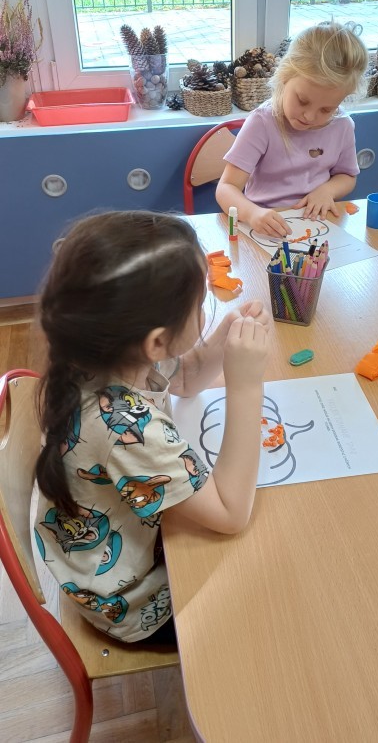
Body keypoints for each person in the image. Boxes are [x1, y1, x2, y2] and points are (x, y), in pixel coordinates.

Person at [34, 210, 270, 644]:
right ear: (156, 341)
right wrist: (246, 386)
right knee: (272, 596)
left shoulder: (98, 350)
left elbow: (184, 379)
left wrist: (223, 336)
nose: (204, 309)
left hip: (112, 552)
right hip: (135, 605)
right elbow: (231, 513)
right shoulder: (125, 428)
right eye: (200, 303)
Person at [216, 21, 368, 237]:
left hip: (318, 226)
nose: (310, 116)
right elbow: (226, 188)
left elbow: (347, 176)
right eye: (302, 100)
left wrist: (328, 190)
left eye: (326, 109)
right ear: (285, 77)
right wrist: (252, 214)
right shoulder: (262, 123)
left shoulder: (342, 125)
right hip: (265, 228)